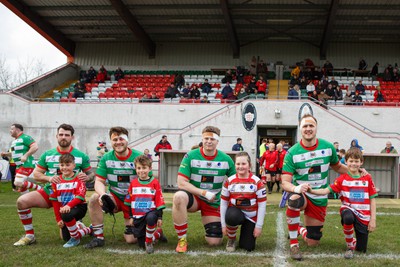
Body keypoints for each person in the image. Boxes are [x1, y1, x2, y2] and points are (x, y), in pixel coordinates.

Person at [281, 114, 353, 260]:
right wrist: (296, 189)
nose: (308, 129)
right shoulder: (292, 153)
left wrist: (356, 172)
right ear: (300, 129)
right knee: (294, 200)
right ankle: (294, 245)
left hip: (319, 195)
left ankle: (300, 228)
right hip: (303, 194)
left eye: (311, 126)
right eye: (305, 126)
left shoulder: (328, 147)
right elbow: (285, 182)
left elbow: (338, 167)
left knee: (313, 242)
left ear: (316, 128)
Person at [13, 124, 93, 246]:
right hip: (50, 192)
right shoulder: (47, 154)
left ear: (73, 137)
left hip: (70, 198)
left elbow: (92, 175)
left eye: (67, 135)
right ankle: (30, 236)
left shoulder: (81, 155)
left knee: (64, 237)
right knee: (21, 201)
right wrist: (49, 178)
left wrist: (88, 177)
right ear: (56, 136)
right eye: (61, 134)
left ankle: (80, 226)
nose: (63, 137)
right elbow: (36, 174)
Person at [172, 126, 236, 253]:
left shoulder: (226, 159)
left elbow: (236, 180)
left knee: (214, 243)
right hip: (195, 198)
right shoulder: (190, 156)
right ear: (202, 139)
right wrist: (204, 193)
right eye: (206, 138)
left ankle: (211, 230)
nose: (209, 141)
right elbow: (181, 182)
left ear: (218, 141)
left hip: (213, 201)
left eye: (212, 139)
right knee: (179, 197)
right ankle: (182, 239)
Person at [309, 148, 377, 259]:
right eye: (351, 161)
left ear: (361, 162)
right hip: (348, 209)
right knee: (348, 217)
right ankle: (350, 245)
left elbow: (372, 199)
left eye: (356, 161)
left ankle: (355, 242)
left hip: (363, 214)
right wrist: (311, 191)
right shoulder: (341, 179)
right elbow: (326, 190)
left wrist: (373, 219)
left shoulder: (367, 178)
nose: (353, 164)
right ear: (346, 161)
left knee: (361, 249)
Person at [85, 126, 147, 249]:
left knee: (131, 240)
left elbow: (148, 182)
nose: (118, 142)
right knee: (94, 198)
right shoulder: (106, 158)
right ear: (111, 142)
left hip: (134, 200)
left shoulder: (139, 156)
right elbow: (99, 181)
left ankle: (155, 232)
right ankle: (98, 237)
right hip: (115, 197)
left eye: (121, 138)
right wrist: (103, 195)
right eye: (114, 139)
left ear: (127, 140)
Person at [220, 152, 266, 252]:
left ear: (250, 165)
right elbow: (223, 203)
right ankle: (231, 239)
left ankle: (246, 231)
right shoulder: (229, 181)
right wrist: (223, 225)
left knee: (248, 247)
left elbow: (262, 206)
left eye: (244, 164)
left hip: (251, 217)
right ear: (235, 165)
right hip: (235, 213)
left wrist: (258, 226)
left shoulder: (257, 182)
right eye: (238, 164)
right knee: (232, 216)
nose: (240, 167)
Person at [124, 155, 166, 254]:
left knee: (151, 218)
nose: (141, 171)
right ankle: (158, 234)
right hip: (138, 217)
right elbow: (129, 202)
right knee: (141, 244)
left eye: (144, 168)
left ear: (150, 168)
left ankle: (148, 242)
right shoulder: (133, 184)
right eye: (139, 168)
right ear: (135, 169)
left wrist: (159, 217)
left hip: (151, 212)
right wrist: (131, 216)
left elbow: (159, 201)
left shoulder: (155, 183)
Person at [49, 154, 93, 248]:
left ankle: (75, 239)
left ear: (74, 165)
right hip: (64, 210)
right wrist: (58, 219)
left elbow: (80, 196)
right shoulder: (56, 180)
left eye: (67, 165)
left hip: (79, 207)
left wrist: (68, 206)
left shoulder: (79, 178)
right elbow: (55, 201)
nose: (64, 168)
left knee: (66, 213)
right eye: (62, 165)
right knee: (65, 238)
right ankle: (88, 229)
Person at [1, 124, 39, 194]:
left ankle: (40, 189)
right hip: (18, 166)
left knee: (18, 182)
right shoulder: (15, 141)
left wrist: (26, 155)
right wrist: (6, 154)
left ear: (17, 130)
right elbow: (14, 153)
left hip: (26, 164)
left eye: (12, 129)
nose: (10, 131)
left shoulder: (25, 137)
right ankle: (27, 201)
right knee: (22, 188)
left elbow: (35, 147)